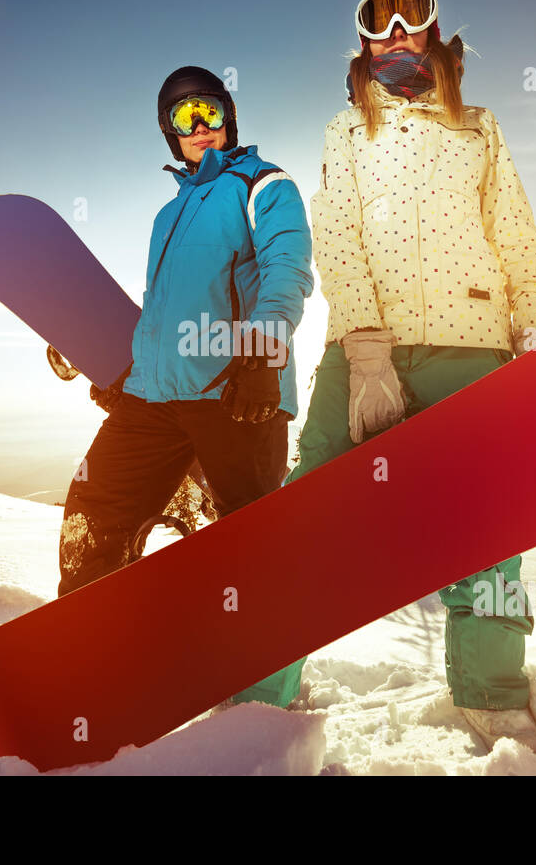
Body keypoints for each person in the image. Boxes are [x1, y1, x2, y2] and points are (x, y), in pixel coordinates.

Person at [236, 0, 536, 757]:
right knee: (305, 511)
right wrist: (368, 349)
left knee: (486, 525)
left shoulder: (479, 127)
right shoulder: (346, 131)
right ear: (363, 43)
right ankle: (261, 698)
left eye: (411, 14)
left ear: (435, 31)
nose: (395, 31)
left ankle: (492, 696)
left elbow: (514, 233)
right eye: (377, 20)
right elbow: (339, 236)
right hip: (361, 347)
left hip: (472, 343)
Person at [57, 67, 315, 651]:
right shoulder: (166, 216)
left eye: (210, 113)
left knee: (246, 541)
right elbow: (162, 311)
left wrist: (262, 355)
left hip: (237, 394)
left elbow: (288, 269)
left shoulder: (264, 183)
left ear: (228, 117)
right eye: (184, 118)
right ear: (169, 133)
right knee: (97, 505)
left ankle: (258, 677)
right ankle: (86, 645)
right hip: (155, 400)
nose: (200, 128)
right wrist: (126, 370)